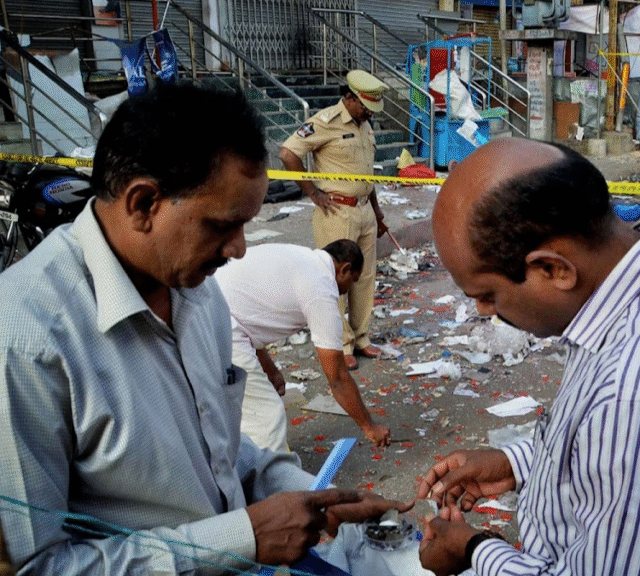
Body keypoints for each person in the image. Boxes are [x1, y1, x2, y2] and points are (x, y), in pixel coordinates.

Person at [0, 83, 410, 574]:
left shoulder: (199, 294)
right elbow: (37, 565)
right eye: (221, 226)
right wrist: (240, 539)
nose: (239, 249)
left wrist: (309, 495)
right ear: (143, 204)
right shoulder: (25, 340)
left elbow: (217, 451)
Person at [415, 138, 640, 576]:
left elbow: (627, 434)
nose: (483, 311)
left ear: (554, 269)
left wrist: (473, 549)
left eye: (487, 294)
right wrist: (516, 464)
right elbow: (602, 450)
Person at [214, 240, 391, 450]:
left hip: (210, 303)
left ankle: (236, 456)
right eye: (352, 281)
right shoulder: (321, 289)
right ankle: (266, 469)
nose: (348, 290)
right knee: (267, 417)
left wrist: (269, 368)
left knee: (237, 405)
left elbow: (248, 312)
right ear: (344, 269)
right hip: (219, 323)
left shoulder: (303, 258)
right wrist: (370, 427)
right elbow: (338, 379)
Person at [279, 69, 389, 372]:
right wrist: (313, 193)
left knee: (364, 277)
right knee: (334, 278)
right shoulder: (325, 121)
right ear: (350, 98)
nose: (369, 112)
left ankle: (361, 337)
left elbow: (366, 175)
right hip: (337, 212)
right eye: (365, 106)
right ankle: (341, 344)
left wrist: (377, 211)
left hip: (365, 210)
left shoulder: (365, 126)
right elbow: (288, 153)